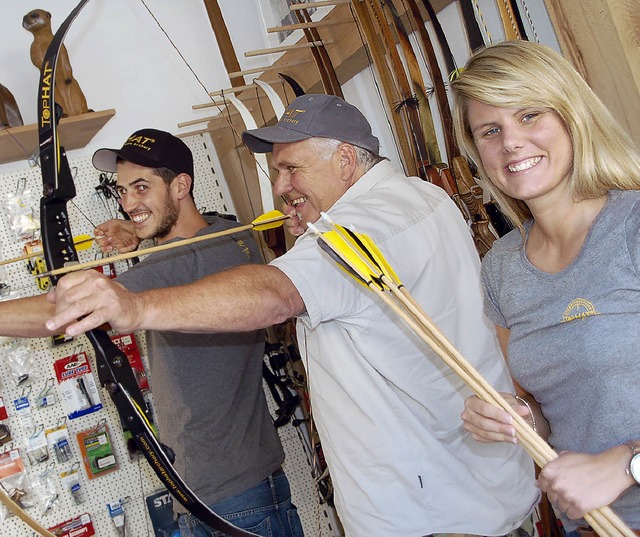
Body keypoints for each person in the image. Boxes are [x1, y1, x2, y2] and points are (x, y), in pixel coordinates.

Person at [46, 95, 539, 537]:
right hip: (454, 497)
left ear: (345, 160)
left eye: (291, 169)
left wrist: (134, 306)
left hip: (440, 514)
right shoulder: (413, 198)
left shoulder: (370, 226)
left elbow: (278, 294)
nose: (281, 186)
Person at [0, 128, 304, 537]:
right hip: (222, 491)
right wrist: (142, 235)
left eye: (142, 188)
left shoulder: (191, 256)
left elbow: (63, 310)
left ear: (181, 185)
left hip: (232, 501)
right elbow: (184, 254)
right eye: (123, 191)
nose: (128, 203)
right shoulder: (226, 235)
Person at [450, 40, 640, 535]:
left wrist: (627, 464)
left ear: (572, 117)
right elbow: (542, 409)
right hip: (597, 526)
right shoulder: (501, 267)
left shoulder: (634, 226)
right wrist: (514, 419)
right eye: (490, 130)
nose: (510, 142)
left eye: (530, 115)